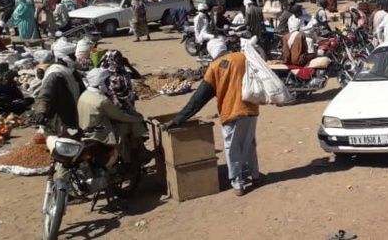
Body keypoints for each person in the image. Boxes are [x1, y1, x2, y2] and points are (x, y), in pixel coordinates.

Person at [166, 43, 260, 196]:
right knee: (249, 143)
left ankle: (238, 183)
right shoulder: (242, 57)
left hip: (231, 112)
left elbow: (199, 98)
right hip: (251, 109)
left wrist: (179, 119)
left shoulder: (215, 67)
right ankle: (255, 176)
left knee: (232, 147)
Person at [77, 68, 147, 165]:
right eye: (107, 81)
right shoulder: (101, 100)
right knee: (131, 125)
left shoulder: (84, 95)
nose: (109, 84)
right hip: (101, 134)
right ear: (101, 83)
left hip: (86, 131)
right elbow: (120, 116)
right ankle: (129, 159)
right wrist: (138, 118)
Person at [29, 58, 84, 132]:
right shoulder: (55, 74)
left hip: (72, 108)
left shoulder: (70, 70)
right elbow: (45, 95)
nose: (73, 57)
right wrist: (41, 111)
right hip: (61, 112)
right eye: (71, 55)